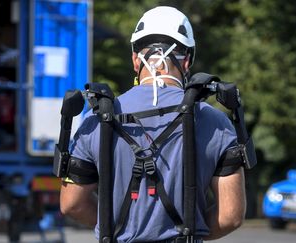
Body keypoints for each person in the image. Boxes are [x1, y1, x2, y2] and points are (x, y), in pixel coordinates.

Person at [60, 6, 246, 242]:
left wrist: (115, 225)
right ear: (187, 60)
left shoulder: (95, 119)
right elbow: (231, 215)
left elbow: (72, 205)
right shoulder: (216, 123)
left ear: (135, 59)